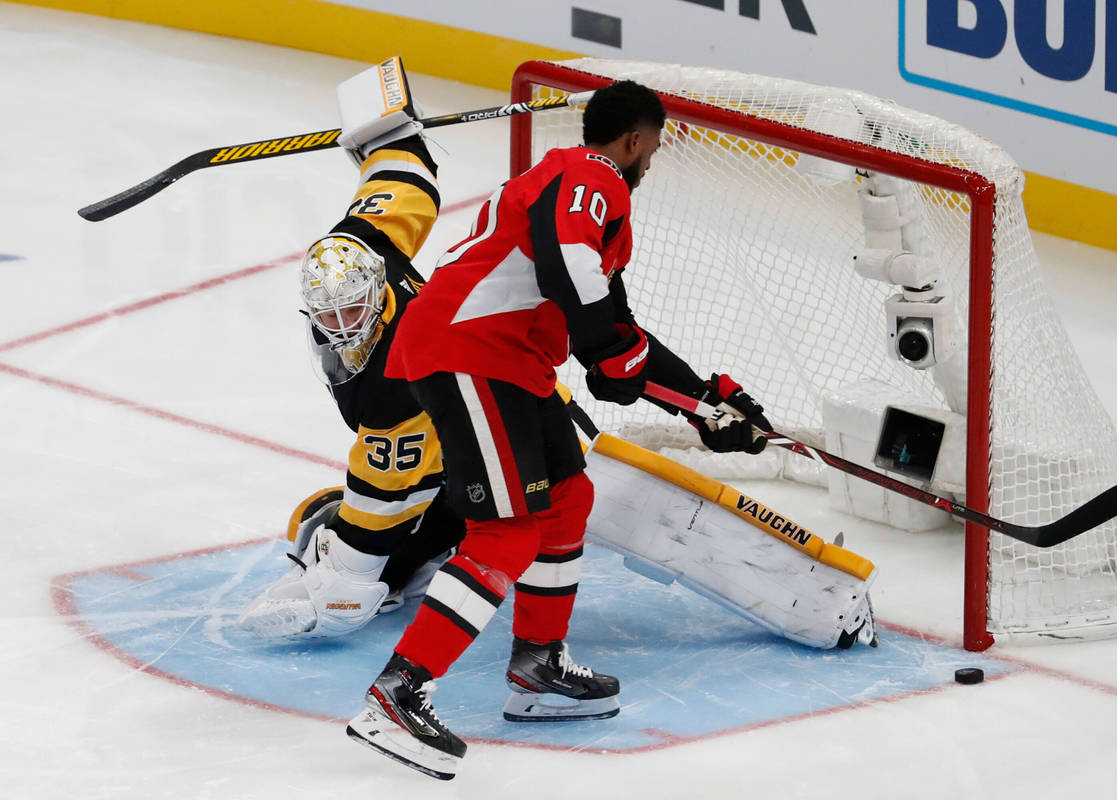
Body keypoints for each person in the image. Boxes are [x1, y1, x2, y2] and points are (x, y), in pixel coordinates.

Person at [344, 79, 775, 781]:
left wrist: (704, 402)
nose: (651, 161)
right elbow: (575, 279)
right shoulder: (590, 176)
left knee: (567, 501)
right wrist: (609, 348)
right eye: (653, 147)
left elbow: (613, 335)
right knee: (506, 531)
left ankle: (538, 666)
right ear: (635, 140)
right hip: (470, 353)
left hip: (511, 363)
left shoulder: (577, 197)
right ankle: (398, 692)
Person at [238, 56, 464, 639]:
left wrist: (346, 583)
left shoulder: (391, 386)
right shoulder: (360, 247)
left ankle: (428, 559)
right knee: (323, 520)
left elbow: (379, 500)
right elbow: (404, 187)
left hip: (499, 425)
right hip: (463, 393)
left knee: (395, 547)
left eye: (349, 308)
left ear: (377, 293)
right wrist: (388, 134)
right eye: (326, 312)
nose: (339, 323)